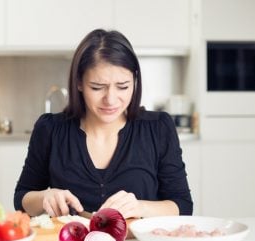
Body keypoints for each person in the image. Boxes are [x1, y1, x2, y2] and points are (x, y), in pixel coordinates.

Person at [14, 29, 193, 219]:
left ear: (135, 81)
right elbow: (22, 199)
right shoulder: (50, 129)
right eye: (97, 87)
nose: (111, 99)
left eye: (123, 86)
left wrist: (141, 207)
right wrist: (44, 197)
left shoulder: (157, 128)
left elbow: (182, 205)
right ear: (79, 83)